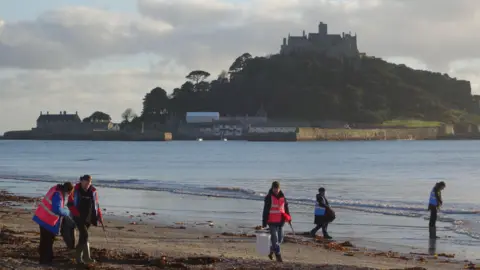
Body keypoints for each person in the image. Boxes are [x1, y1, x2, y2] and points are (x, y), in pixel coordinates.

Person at [32, 182, 75, 265]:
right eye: (70, 193)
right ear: (68, 191)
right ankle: (46, 260)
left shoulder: (55, 189)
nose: (69, 195)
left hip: (42, 217)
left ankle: (46, 258)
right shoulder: (58, 195)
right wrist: (67, 212)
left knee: (45, 240)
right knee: (47, 241)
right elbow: (57, 209)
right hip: (47, 220)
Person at [67, 175, 104, 265]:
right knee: (85, 235)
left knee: (83, 237)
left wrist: (99, 215)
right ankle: (82, 257)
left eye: (89, 182)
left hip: (88, 217)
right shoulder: (75, 190)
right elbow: (69, 204)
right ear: (81, 181)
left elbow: (96, 205)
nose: (88, 184)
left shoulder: (93, 191)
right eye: (86, 182)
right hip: (78, 217)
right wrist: (76, 213)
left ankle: (83, 257)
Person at [262, 181, 291, 262]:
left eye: (277, 188)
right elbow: (265, 211)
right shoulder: (268, 197)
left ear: (279, 188)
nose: (276, 190)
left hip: (281, 222)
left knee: (280, 240)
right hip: (271, 222)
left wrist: (289, 217)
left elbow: (286, 209)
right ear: (272, 188)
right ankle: (278, 256)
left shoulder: (283, 197)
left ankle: (271, 250)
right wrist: (264, 223)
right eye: (274, 188)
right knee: (274, 239)